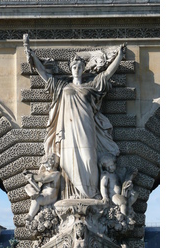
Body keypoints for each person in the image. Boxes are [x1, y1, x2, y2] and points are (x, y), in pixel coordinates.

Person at [25, 42, 126, 200]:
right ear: (71, 69)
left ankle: (92, 194)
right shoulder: (62, 87)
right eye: (74, 67)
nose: (77, 69)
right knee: (69, 162)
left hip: (87, 128)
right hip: (67, 130)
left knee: (89, 158)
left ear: (83, 68)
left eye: (79, 67)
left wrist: (119, 56)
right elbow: (45, 75)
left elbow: (106, 75)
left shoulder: (90, 87)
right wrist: (33, 58)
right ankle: (69, 196)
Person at [24, 153, 61, 221]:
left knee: (37, 199)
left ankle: (30, 215)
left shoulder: (56, 174)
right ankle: (34, 194)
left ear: (52, 163)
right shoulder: (46, 173)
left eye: (47, 166)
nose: (46, 168)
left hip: (51, 196)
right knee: (27, 186)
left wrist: (32, 176)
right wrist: (30, 175)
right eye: (45, 167)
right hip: (42, 193)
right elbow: (40, 177)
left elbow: (43, 179)